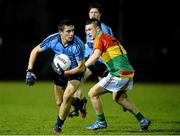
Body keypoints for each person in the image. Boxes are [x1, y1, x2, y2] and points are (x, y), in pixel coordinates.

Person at [84, 18, 151, 131]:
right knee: (119, 98)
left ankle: (101, 122)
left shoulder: (99, 38)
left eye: (90, 29)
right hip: (128, 72)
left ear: (98, 28)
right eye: (86, 30)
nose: (88, 32)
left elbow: (95, 56)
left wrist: (82, 67)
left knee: (92, 93)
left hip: (119, 74)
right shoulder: (109, 37)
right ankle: (142, 120)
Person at [25, 19, 87, 134]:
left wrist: (65, 73)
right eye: (68, 31)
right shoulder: (53, 39)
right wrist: (29, 70)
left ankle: (58, 126)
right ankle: (79, 103)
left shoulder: (78, 45)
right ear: (61, 32)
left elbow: (82, 67)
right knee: (59, 102)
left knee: (67, 97)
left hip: (75, 72)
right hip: (60, 72)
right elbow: (35, 51)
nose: (71, 33)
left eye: (73, 30)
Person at [68, 2, 114, 117]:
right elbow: (89, 44)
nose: (93, 14)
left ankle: (122, 98)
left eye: (96, 12)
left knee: (110, 90)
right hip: (90, 61)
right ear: (88, 14)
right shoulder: (89, 27)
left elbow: (108, 46)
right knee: (79, 80)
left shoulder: (103, 28)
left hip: (102, 63)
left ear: (100, 15)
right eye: (91, 12)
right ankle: (79, 105)